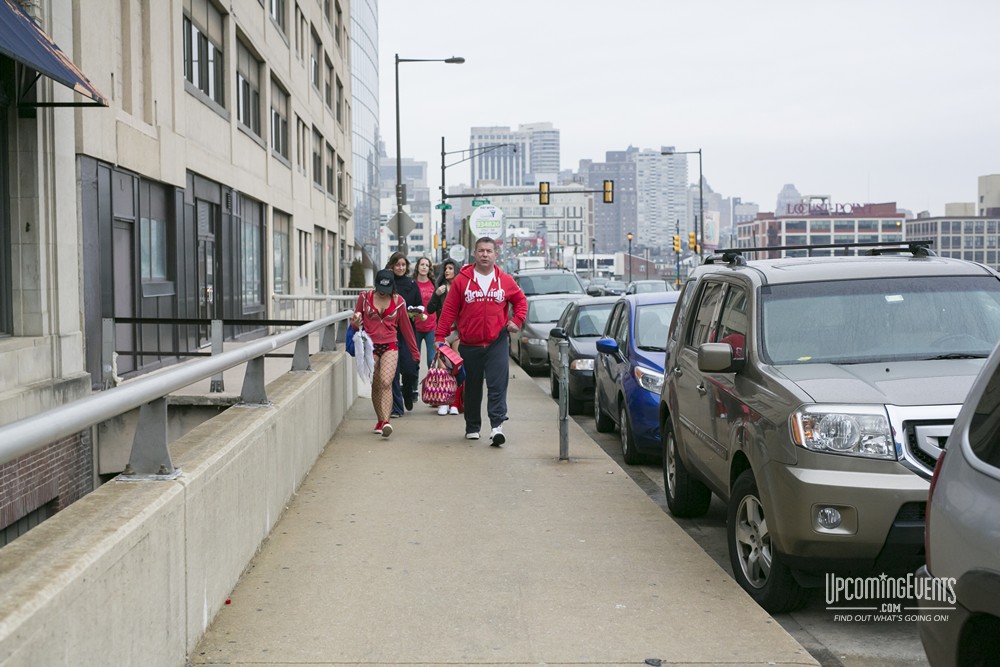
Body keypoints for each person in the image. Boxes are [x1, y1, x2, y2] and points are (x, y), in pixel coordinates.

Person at [434, 237, 527, 446]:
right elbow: (449, 310)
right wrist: (440, 337)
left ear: (495, 254)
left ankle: (497, 427)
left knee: (497, 385)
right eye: (481, 251)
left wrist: (517, 320)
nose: (485, 254)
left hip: (496, 342)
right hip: (469, 343)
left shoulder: (505, 280)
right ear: (474, 254)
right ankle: (473, 427)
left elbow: (520, 301)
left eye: (489, 251)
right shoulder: (462, 281)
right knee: (473, 387)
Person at [351, 269, 420, 438]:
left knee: (386, 381)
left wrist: (415, 353)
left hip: (390, 345)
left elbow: (406, 329)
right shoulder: (364, 298)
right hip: (370, 346)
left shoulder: (399, 301)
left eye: (386, 290)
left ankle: (387, 422)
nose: (383, 293)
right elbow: (354, 325)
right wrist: (355, 322)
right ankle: (380, 420)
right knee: (376, 385)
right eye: (380, 290)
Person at [385, 252, 422, 417]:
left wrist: (415, 312)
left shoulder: (412, 284)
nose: (400, 268)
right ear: (392, 266)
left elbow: (420, 305)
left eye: (403, 265)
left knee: (410, 369)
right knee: (392, 371)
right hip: (390, 332)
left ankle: (407, 391)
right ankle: (396, 408)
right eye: (397, 265)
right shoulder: (387, 283)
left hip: (408, 332)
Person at [427, 259, 462, 416]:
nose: (447, 271)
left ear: (456, 270)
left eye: (450, 268)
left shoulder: (461, 288)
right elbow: (429, 309)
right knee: (442, 369)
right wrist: (436, 295)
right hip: (443, 334)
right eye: (445, 268)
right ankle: (443, 402)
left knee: (456, 368)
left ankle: (454, 403)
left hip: (458, 332)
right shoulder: (440, 289)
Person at [412, 256, 438, 369]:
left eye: (427, 265)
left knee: (431, 360)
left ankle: (431, 379)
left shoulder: (434, 284)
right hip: (415, 327)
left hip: (431, 327)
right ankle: (414, 380)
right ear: (417, 267)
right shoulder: (412, 284)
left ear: (429, 269)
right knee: (415, 359)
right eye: (422, 264)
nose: (424, 267)